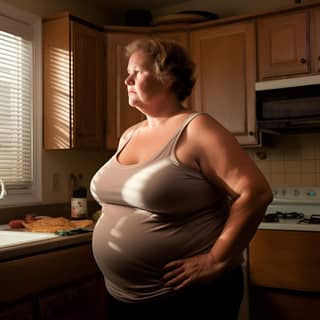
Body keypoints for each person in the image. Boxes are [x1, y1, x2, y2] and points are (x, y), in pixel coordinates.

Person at [90, 38, 273, 319]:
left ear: (168, 77)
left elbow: (255, 193)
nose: (127, 80)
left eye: (137, 72)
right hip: (122, 296)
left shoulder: (197, 129)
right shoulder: (129, 134)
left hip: (188, 298)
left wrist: (216, 259)